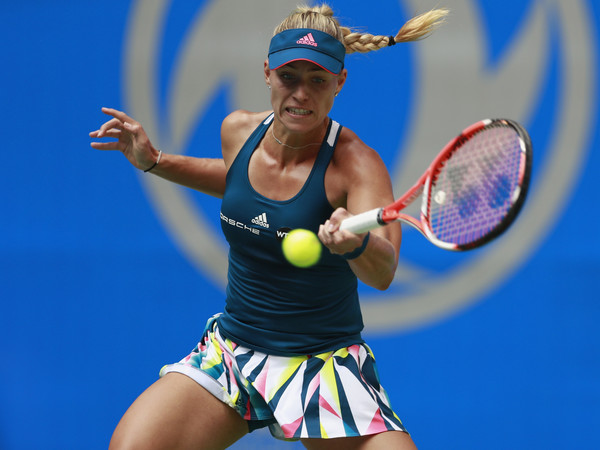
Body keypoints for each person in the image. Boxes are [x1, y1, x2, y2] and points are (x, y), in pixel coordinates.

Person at [90, 4, 448, 449]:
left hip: (321, 363)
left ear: (340, 82)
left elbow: (384, 271)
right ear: (267, 74)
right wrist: (155, 161)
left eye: (317, 80)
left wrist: (355, 246)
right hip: (232, 352)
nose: (301, 93)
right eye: (288, 77)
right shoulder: (238, 131)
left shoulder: (357, 165)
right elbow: (240, 184)